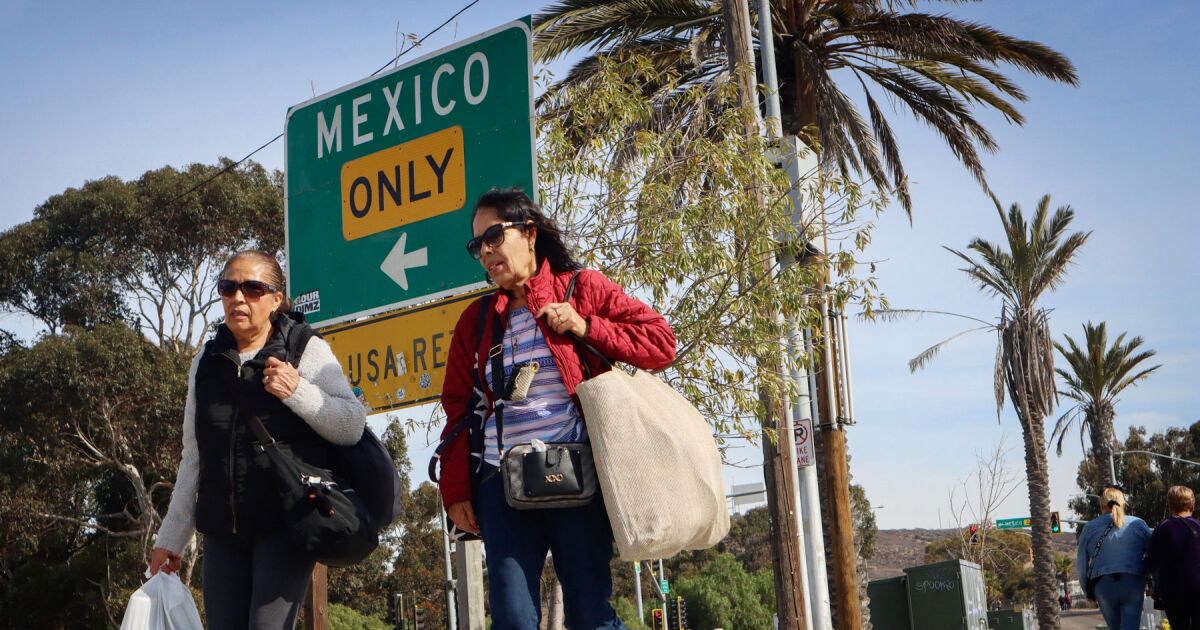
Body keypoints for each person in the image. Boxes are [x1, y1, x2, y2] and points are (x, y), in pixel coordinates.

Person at [437, 188, 676, 629]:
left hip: (577, 473)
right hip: (500, 479)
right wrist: (455, 491)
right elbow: (457, 406)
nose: (486, 252)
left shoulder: (582, 288)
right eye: (477, 246)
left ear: (529, 233)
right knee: (512, 618)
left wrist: (586, 326)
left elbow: (661, 344)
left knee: (589, 613)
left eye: (493, 236)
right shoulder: (476, 319)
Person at [149, 250, 366, 629]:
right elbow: (194, 456)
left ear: (276, 299)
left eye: (252, 288)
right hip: (222, 532)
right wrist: (171, 538)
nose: (238, 298)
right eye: (228, 288)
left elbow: (351, 425)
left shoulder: (304, 349)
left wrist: (297, 390)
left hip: (285, 524)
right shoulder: (206, 361)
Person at [1076, 486, 1153, 630]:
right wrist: (1151, 579)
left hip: (1103, 586)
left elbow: (1081, 565)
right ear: (1122, 502)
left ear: (1101, 505)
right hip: (1133, 582)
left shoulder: (1089, 528)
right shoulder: (1137, 524)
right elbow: (1153, 554)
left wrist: (1088, 592)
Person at [1146, 485, 1200, 629]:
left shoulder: (1162, 528)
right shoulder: (1198, 526)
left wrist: (1155, 588)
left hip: (1173, 591)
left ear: (1170, 505)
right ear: (1192, 504)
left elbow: (1151, 562)